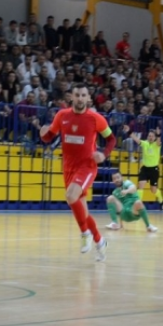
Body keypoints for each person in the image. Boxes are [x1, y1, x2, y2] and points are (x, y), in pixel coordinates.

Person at [40, 83, 116, 261]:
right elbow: (49, 137)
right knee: (82, 211)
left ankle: (85, 233)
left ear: (88, 98)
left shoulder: (96, 118)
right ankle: (100, 241)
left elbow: (111, 139)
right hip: (68, 168)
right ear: (71, 97)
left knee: (70, 195)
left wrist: (103, 154)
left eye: (83, 95)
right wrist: (42, 133)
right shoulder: (62, 115)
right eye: (77, 95)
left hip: (87, 166)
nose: (80, 98)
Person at [131, 130, 163, 209]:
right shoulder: (145, 143)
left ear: (155, 137)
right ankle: (138, 205)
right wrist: (129, 132)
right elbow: (137, 140)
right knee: (140, 185)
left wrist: (159, 134)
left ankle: (161, 200)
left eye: (152, 136)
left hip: (154, 170)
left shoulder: (157, 144)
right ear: (147, 137)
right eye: (149, 136)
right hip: (145, 168)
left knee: (153, 190)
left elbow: (159, 142)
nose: (151, 137)